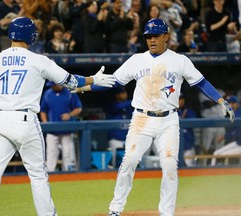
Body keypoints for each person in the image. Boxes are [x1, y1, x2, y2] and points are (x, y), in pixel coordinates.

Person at [72, 18, 235, 216]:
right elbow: (114, 81)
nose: (151, 40)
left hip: (168, 120)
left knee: (169, 165)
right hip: (142, 119)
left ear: (166, 36)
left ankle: (166, 213)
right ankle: (115, 209)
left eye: (155, 36)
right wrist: (85, 87)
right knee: (129, 161)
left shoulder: (180, 60)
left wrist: (220, 101)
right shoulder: (137, 60)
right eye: (148, 36)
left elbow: (201, 82)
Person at [0, 16, 115, 216]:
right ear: (29, 35)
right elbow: (71, 82)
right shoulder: (38, 60)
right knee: (38, 175)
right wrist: (94, 79)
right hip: (24, 121)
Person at [40, 82, 82, 172]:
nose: (53, 86)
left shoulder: (70, 92)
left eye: (55, 84)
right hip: (52, 131)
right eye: (52, 85)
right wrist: (46, 123)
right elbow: (43, 111)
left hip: (67, 130)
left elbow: (78, 108)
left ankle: (69, 177)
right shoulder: (47, 93)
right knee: (51, 157)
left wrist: (69, 115)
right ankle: (50, 178)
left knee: (68, 156)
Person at [106, 87, 134, 168]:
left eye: (125, 93)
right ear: (117, 95)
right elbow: (118, 107)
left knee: (131, 161)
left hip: (128, 139)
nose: (125, 95)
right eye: (122, 93)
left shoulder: (130, 106)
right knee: (114, 162)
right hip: (115, 139)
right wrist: (135, 100)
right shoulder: (111, 105)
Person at [211, 95, 241, 166]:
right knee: (216, 153)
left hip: (239, 144)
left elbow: (235, 132)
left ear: (235, 104)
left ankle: (214, 172)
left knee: (220, 155)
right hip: (238, 143)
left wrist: (224, 137)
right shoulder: (234, 114)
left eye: (230, 103)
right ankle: (212, 171)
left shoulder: (238, 113)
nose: (228, 106)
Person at [178, 94, 197, 167]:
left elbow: (195, 123)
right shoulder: (170, 112)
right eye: (179, 99)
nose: (181, 101)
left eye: (182, 99)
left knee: (190, 165)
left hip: (187, 146)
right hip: (175, 147)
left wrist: (184, 119)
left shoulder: (189, 111)